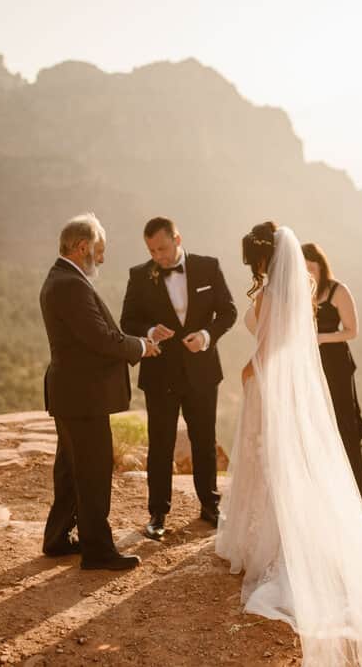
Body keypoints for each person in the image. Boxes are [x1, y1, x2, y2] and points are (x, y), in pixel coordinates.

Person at [216, 222, 362, 666]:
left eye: (253, 261)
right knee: (286, 465)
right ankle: (283, 538)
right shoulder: (301, 291)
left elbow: (266, 349)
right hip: (292, 389)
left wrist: (248, 374)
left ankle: (268, 547)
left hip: (269, 387)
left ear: (262, 260)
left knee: (267, 463)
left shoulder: (269, 295)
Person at [39, 212, 159, 570]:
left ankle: (57, 537)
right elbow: (100, 339)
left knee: (69, 469)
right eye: (100, 250)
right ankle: (98, 550)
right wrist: (141, 346)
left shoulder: (61, 278)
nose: (103, 258)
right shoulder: (70, 284)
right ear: (82, 247)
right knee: (91, 472)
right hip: (83, 396)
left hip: (71, 395)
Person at [120, 216, 237, 540]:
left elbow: (228, 311)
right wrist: (148, 331)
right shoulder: (140, 275)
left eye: (163, 248)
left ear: (177, 239)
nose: (158, 256)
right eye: (152, 250)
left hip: (202, 371)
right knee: (161, 445)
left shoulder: (208, 267)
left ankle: (210, 506)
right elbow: (127, 320)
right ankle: (158, 513)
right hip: (160, 374)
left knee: (204, 442)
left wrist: (205, 335)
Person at [302, 242, 362, 500]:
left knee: (344, 420)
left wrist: (321, 338)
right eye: (303, 269)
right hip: (308, 363)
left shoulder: (338, 291)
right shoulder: (299, 294)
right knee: (314, 422)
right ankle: (322, 486)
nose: (308, 274)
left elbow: (352, 331)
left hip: (336, 363)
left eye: (312, 268)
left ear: (321, 267)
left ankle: (354, 488)